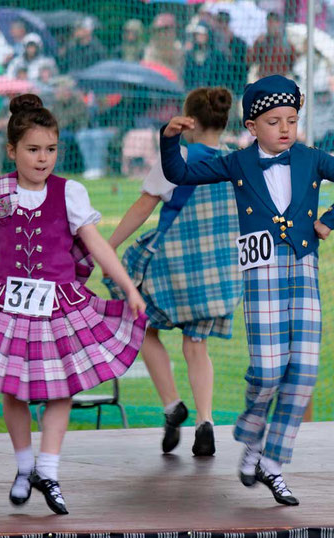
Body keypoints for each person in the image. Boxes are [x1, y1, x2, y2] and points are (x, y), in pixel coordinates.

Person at [0, 94, 148, 515]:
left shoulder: (70, 193)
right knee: (11, 384)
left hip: (59, 306)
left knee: (62, 387)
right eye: (33, 150)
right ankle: (23, 467)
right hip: (8, 306)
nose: (43, 159)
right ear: (12, 150)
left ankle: (49, 471)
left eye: (50, 149)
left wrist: (127, 286)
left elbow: (97, 247)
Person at [159, 75, 334, 505]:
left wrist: (329, 219)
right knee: (267, 370)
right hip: (260, 271)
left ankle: (272, 462)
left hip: (303, 266)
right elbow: (180, 171)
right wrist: (169, 140)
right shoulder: (237, 162)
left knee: (304, 371)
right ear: (252, 125)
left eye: (292, 120)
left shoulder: (312, 158)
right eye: (275, 121)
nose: (285, 129)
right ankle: (251, 435)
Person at [106, 87, 242, 456]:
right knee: (196, 346)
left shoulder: (177, 157)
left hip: (171, 270)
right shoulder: (234, 163)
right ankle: (206, 420)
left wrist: (110, 245)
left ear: (189, 121)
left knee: (141, 323)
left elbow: (143, 207)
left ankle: (171, 404)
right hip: (212, 277)